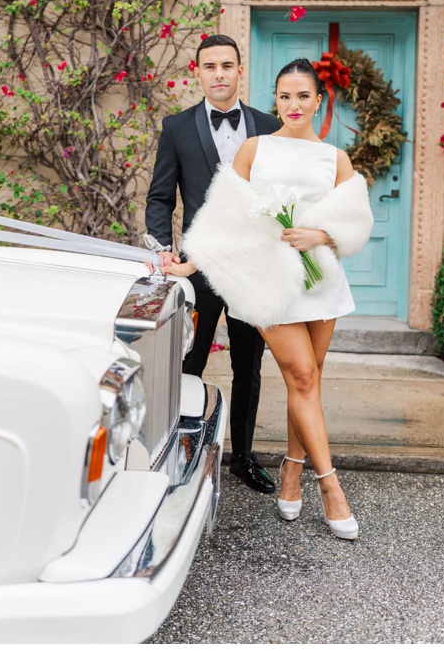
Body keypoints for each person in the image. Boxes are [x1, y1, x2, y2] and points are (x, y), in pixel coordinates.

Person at [173, 58, 375, 539]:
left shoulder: (335, 158)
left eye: (303, 96)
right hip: (271, 282)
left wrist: (321, 233)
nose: (294, 105)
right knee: (301, 374)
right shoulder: (254, 149)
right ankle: (330, 488)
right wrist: (190, 262)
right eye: (285, 96)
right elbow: (224, 218)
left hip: (321, 280)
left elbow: (356, 222)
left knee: (309, 382)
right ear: (276, 100)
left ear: (318, 101)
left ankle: (291, 471)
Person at [145, 34, 281, 495]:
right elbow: (160, 197)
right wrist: (162, 247)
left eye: (227, 65)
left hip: (251, 269)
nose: (219, 73)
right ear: (197, 72)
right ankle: (178, 451)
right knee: (189, 360)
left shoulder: (269, 126)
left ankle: (243, 457)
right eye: (210, 66)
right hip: (197, 266)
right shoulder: (176, 127)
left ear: (240, 70)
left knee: (249, 364)